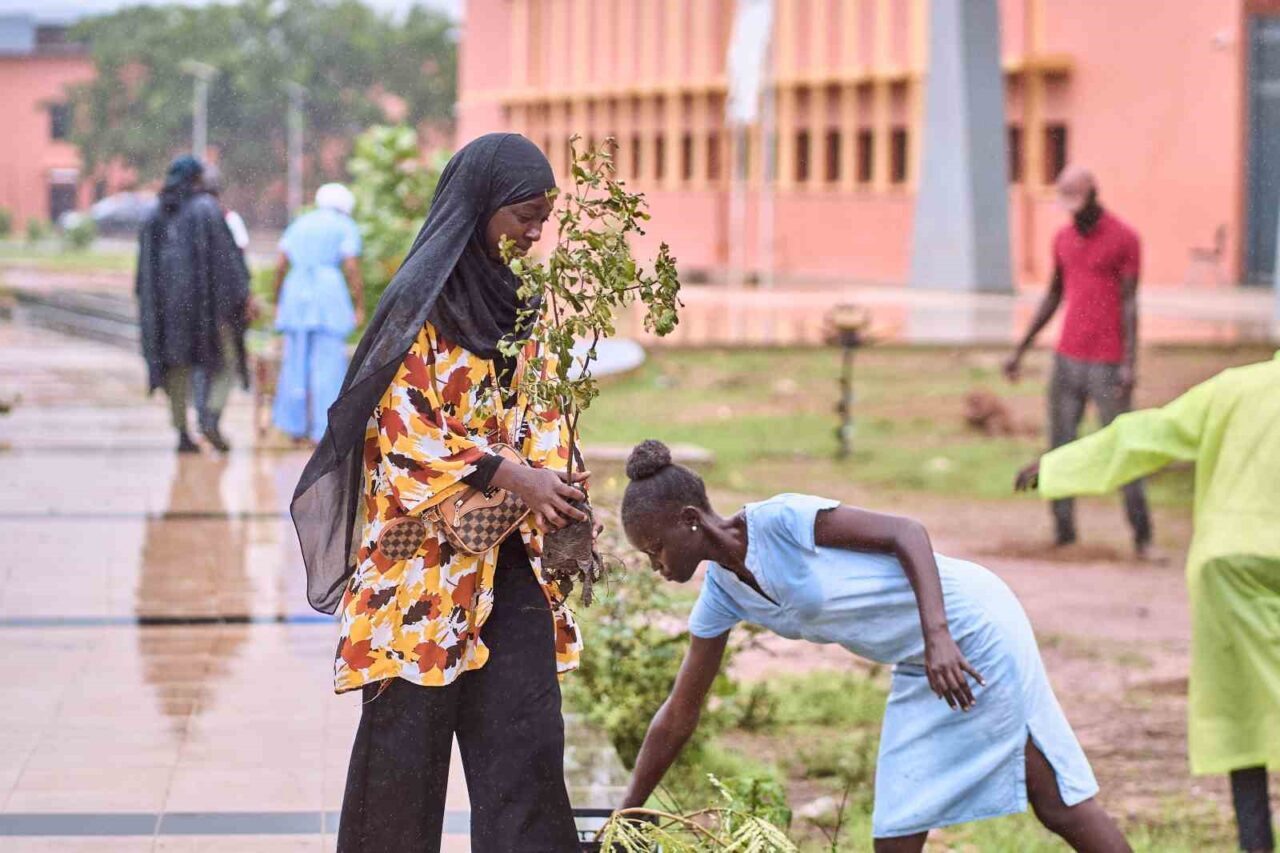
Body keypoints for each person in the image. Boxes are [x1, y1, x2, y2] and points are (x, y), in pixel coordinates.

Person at [291, 134, 590, 852]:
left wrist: (558, 493)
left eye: (545, 217)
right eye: (524, 213)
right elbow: (404, 436)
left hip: (508, 561)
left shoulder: (527, 308)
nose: (534, 230)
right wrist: (514, 473)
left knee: (527, 749)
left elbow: (548, 412)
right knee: (402, 765)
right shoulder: (418, 307)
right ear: (481, 206)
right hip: (418, 575)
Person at [617, 439, 1131, 853]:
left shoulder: (780, 521)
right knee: (899, 828)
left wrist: (939, 637)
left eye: (655, 548)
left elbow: (906, 533)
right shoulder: (721, 597)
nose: (656, 566)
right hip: (919, 663)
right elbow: (680, 712)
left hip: (967, 626)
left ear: (689, 519)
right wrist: (627, 814)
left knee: (1053, 800)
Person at [1016, 354, 1280, 853]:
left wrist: (1056, 465)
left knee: (1240, 712)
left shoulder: (1234, 387)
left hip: (1228, 570)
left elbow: (1145, 435)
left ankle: (1256, 844)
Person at [1004, 165, 1152, 557]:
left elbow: (1129, 303)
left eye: (1078, 202)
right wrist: (1021, 348)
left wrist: (1129, 363)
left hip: (1108, 361)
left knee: (1125, 446)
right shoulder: (1063, 239)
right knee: (1059, 446)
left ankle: (1143, 537)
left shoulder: (1125, 238)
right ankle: (1064, 532)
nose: (1073, 211)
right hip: (1067, 358)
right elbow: (1053, 296)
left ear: (1094, 196)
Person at [136, 155, 250, 453]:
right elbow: (228, 264)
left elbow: (144, 274)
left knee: (176, 371)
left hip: (166, 312)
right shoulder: (206, 210)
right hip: (207, 309)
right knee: (226, 364)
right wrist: (240, 300)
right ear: (197, 180)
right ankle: (210, 416)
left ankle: (182, 434)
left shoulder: (153, 215)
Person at [271, 183, 365, 445]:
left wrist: (278, 299)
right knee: (328, 366)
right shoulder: (344, 226)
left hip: (295, 292)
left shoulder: (300, 223)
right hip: (328, 296)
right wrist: (359, 304)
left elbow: (280, 264)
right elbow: (351, 267)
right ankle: (322, 430)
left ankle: (293, 427)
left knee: (294, 364)